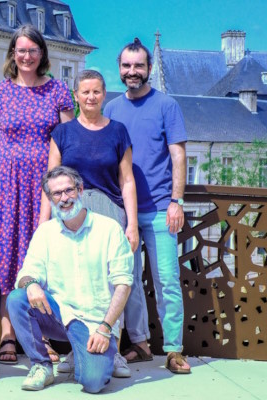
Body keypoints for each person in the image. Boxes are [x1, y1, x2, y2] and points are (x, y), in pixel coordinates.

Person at [0, 24, 74, 364]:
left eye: (33, 50)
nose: (27, 56)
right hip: (4, 185)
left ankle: (40, 335)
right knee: (5, 257)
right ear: (12, 54)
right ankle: (7, 335)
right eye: (21, 50)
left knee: (43, 257)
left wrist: (62, 190)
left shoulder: (58, 91)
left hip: (44, 187)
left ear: (42, 53)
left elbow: (67, 144)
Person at [104, 38, 190, 374]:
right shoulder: (111, 109)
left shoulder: (167, 105)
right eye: (126, 66)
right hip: (122, 211)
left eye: (138, 65)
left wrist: (176, 201)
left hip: (159, 209)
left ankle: (173, 349)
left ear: (149, 68)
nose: (132, 71)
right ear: (119, 68)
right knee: (129, 281)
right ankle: (140, 343)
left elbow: (178, 156)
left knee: (167, 280)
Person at [7, 166, 133, 392]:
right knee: (17, 298)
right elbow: (26, 272)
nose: (64, 198)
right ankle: (41, 365)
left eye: (69, 190)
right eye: (57, 193)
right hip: (61, 316)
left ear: (80, 190)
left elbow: (123, 285)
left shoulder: (109, 229)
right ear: (50, 199)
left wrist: (105, 328)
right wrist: (31, 283)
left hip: (97, 322)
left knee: (93, 382)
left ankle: (90, 353)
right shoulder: (45, 232)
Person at [47, 70, 138, 378]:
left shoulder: (118, 131)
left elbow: (127, 181)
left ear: (104, 94)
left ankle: (114, 351)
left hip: (109, 209)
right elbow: (52, 181)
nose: (90, 97)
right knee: (72, 278)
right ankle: (77, 348)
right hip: (70, 209)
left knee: (113, 281)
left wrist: (132, 223)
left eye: (96, 91)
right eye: (84, 92)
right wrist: (47, 222)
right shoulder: (62, 133)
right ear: (76, 95)